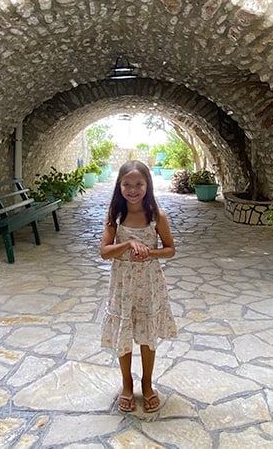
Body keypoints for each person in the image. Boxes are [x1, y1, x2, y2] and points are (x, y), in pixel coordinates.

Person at [100, 160, 177, 413]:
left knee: (147, 335)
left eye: (138, 184)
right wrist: (128, 243)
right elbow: (104, 252)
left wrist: (150, 254)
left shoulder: (156, 216)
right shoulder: (115, 217)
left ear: (147, 185)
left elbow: (169, 249)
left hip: (148, 283)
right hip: (122, 285)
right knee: (124, 332)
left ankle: (147, 383)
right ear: (119, 185)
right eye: (127, 184)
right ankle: (126, 383)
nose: (133, 189)